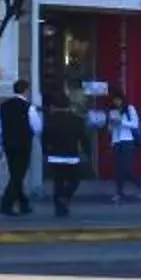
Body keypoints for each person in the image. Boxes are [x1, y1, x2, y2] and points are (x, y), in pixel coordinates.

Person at [41, 87, 91, 217]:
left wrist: (46, 151)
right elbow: (84, 139)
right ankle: (66, 197)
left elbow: (44, 138)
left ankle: (59, 209)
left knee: (58, 182)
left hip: (55, 156)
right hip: (71, 156)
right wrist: (87, 153)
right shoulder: (76, 121)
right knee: (74, 180)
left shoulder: (51, 121)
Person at [0, 77, 36, 216]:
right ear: (26, 91)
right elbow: (37, 126)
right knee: (18, 176)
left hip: (8, 144)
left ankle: (24, 204)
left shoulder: (3, 106)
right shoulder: (29, 107)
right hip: (24, 144)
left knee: (15, 174)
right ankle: (6, 205)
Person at [109, 93, 141, 201]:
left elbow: (134, 124)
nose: (116, 102)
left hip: (127, 140)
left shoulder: (130, 109)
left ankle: (140, 185)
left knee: (127, 167)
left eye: (118, 100)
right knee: (118, 169)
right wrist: (111, 128)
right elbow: (111, 128)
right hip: (117, 141)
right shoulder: (112, 111)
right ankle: (119, 192)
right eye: (114, 100)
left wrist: (121, 121)